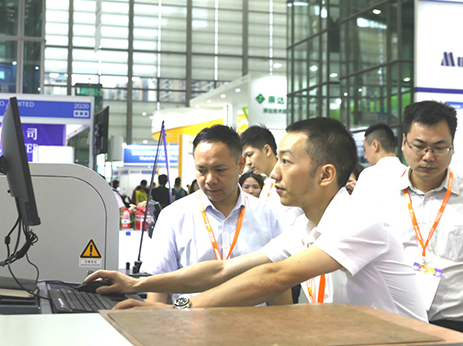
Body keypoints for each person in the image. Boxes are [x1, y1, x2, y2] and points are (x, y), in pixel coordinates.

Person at [87, 118, 427, 322]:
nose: (273, 174)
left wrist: (178, 309)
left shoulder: (359, 220)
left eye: (286, 162)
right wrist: (136, 284)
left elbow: (274, 277)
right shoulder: (305, 227)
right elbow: (223, 269)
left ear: (325, 175)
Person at [350, 101, 463, 346]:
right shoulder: (377, 192)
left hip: (456, 326)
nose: (428, 156)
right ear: (403, 143)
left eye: (439, 147)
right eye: (419, 146)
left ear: (452, 147)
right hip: (391, 322)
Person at [133, 124, 285, 306]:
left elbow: (280, 290)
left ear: (240, 165)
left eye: (220, 170)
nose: (210, 180)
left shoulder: (268, 217)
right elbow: (158, 291)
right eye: (202, 170)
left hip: (252, 322)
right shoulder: (173, 217)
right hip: (188, 321)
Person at [240, 125, 304, 227]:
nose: (248, 162)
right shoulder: (267, 184)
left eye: (250, 155)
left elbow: (291, 223)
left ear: (267, 150)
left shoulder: (288, 181)